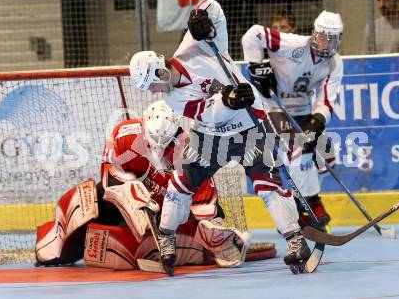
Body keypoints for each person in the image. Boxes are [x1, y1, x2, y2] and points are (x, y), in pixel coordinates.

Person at [129, 0, 309, 276]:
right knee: (181, 183)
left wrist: (200, 16)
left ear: (160, 70)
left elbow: (213, 6)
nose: (153, 92)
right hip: (211, 136)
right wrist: (231, 99)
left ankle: (295, 239)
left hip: (248, 125)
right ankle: (166, 235)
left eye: (151, 84)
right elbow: (210, 115)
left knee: (265, 182)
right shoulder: (174, 99)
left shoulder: (195, 45)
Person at [35, 100, 250, 270]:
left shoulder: (190, 152)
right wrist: (131, 195)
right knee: (85, 198)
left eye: (164, 141)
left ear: (176, 132)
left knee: (122, 246)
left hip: (165, 216)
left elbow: (204, 202)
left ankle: (204, 243)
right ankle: (52, 245)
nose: (156, 149)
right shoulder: (126, 134)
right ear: (144, 124)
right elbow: (109, 172)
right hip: (129, 205)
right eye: (152, 139)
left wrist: (212, 227)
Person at [242, 10, 343, 232]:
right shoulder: (291, 43)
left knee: (327, 155)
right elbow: (253, 34)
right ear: (314, 34)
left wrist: (316, 123)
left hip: (303, 110)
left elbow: (326, 101)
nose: (325, 43)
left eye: (332, 38)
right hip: (274, 107)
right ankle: (310, 205)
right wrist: (255, 67)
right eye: (321, 36)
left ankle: (299, 205)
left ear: (339, 39)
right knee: (301, 150)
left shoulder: (335, 63)